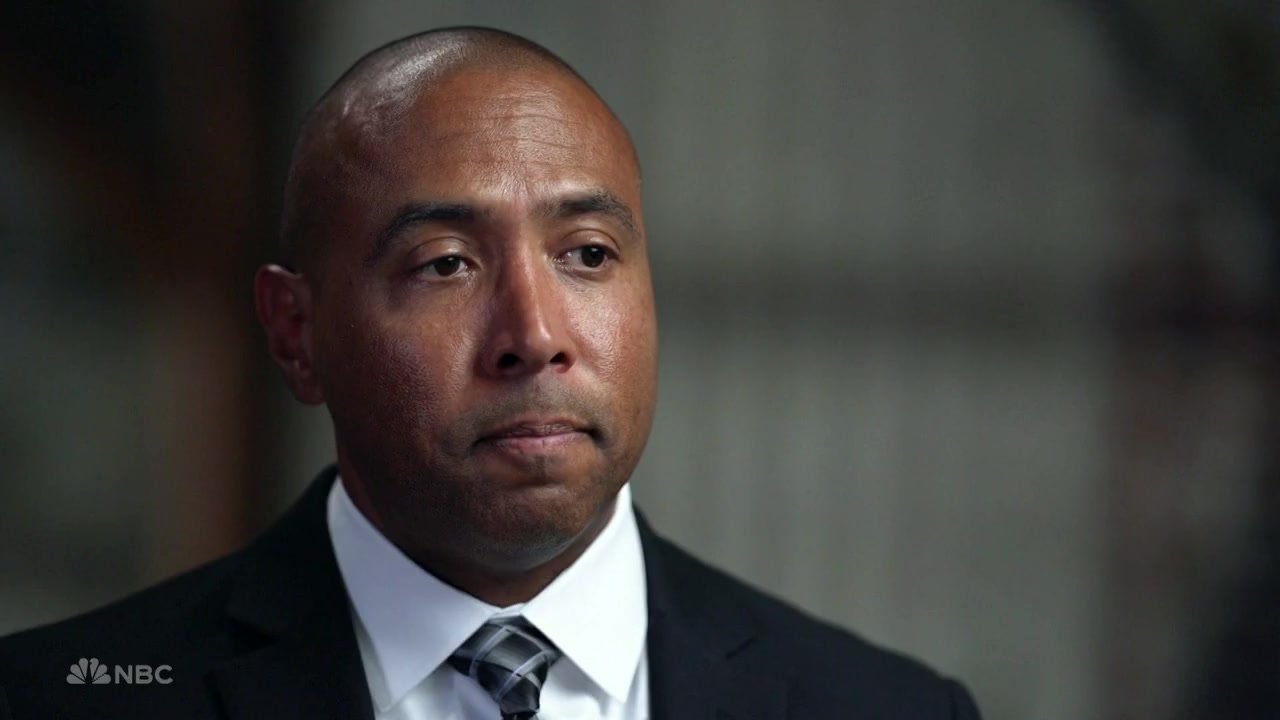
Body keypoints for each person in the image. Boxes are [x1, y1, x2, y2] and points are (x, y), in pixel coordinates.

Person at [0, 27, 982, 720]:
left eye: (587, 254)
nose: (535, 335)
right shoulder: (60, 700)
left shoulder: (888, 708)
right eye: (445, 265)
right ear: (296, 333)